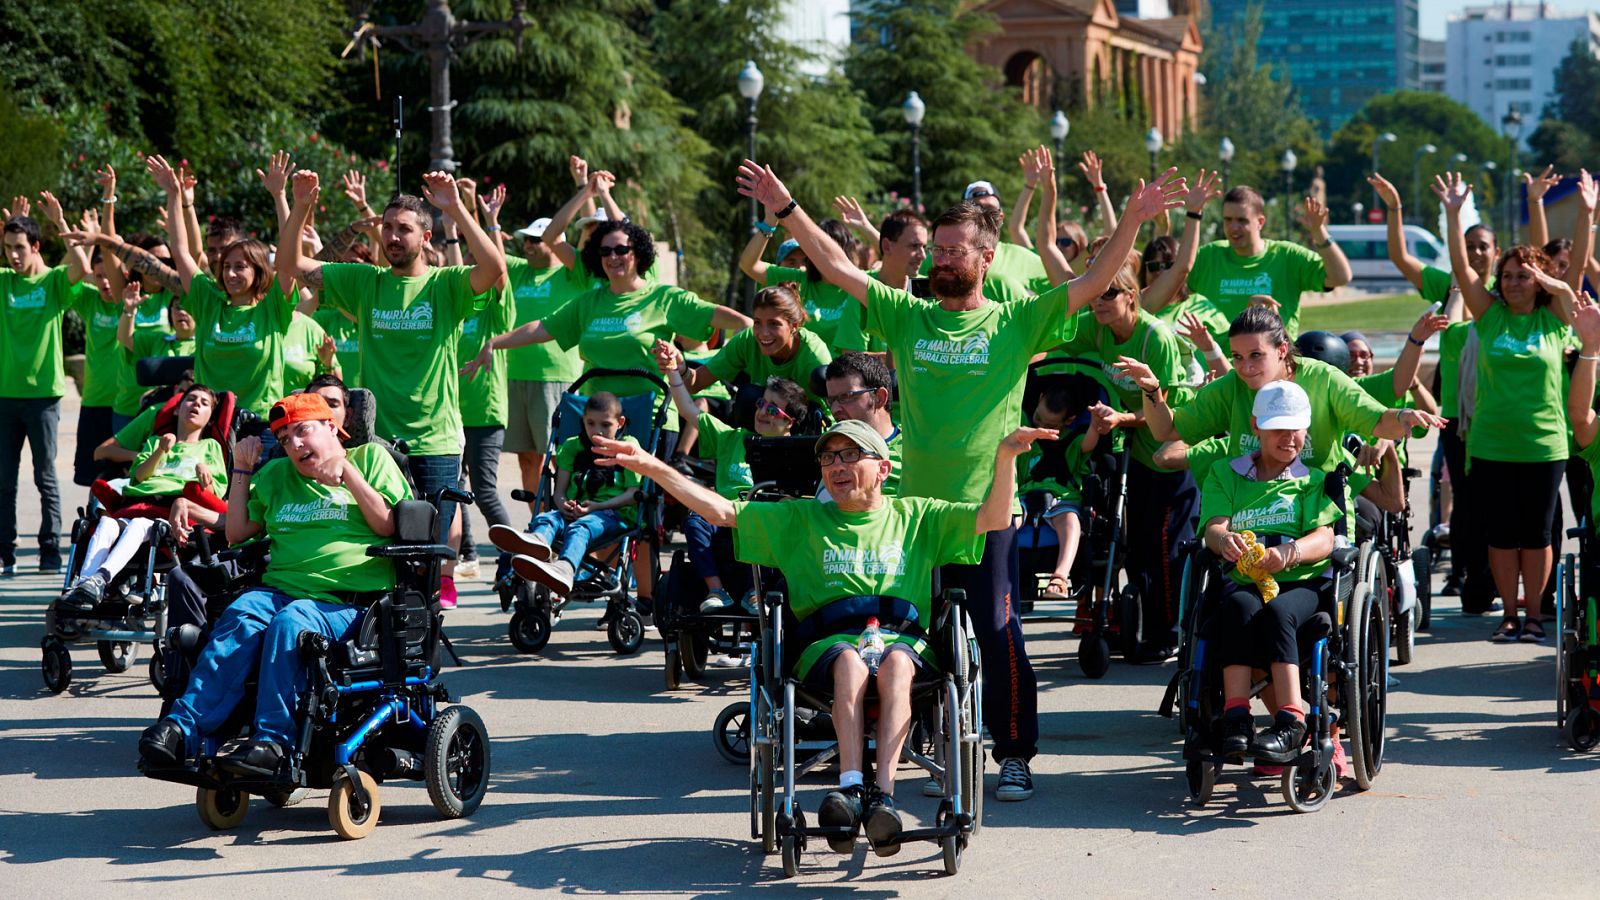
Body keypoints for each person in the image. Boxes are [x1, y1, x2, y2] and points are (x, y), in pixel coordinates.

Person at [736, 154, 1184, 801]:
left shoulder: (1015, 318)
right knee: (904, 635)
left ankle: (1014, 754)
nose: (942, 260)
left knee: (996, 630)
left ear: (986, 255)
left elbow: (1094, 281)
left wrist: (1134, 221)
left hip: (984, 512)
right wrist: (786, 208)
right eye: (938, 250)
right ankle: (919, 742)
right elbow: (835, 266)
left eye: (955, 250)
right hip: (912, 513)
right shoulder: (908, 315)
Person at [589, 416, 1051, 850]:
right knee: (850, 662)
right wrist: (650, 465)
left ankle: (882, 800)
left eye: (850, 456)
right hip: (828, 645)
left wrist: (1006, 457)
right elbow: (722, 511)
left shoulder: (918, 515)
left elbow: (993, 519)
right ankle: (850, 788)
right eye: (829, 459)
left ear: (883, 468)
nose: (837, 467)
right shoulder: (800, 518)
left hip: (903, 642)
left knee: (894, 664)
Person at [464, 173, 751, 610]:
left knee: (642, 511)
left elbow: (728, 319)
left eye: (622, 250)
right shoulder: (591, 300)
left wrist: (754, 336)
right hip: (596, 417)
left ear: (638, 254)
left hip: (648, 416)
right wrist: (494, 343)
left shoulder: (663, 297)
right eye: (606, 251)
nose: (614, 257)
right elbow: (545, 327)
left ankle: (645, 598)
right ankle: (557, 553)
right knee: (579, 491)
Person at [137, 392, 411, 775]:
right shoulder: (277, 475)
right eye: (283, 439)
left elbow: (388, 525)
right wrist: (242, 470)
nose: (294, 445)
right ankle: (182, 728)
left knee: (291, 623)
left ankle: (273, 743)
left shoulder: (371, 459)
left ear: (331, 427)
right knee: (241, 614)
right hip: (282, 591)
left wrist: (348, 473)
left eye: (302, 431)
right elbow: (235, 532)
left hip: (348, 602)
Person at [277, 168, 508, 607]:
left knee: (429, 549)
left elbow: (493, 268)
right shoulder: (365, 281)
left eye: (404, 228)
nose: (393, 236)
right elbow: (290, 266)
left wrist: (453, 207)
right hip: (376, 442)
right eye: (388, 227)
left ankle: (423, 633)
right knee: (385, 543)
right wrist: (301, 206)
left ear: (425, 237)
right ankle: (388, 633)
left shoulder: (445, 285)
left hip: (435, 441)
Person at [1436, 170, 1587, 643]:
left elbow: (1576, 272)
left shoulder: (1556, 316)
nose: (1515, 282)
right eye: (1508, 276)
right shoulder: (1490, 315)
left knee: (1538, 535)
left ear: (1539, 278)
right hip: (1492, 442)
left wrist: (1586, 213)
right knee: (1500, 535)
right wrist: (1453, 212)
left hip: (1544, 444)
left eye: (1524, 275)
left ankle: (1536, 616)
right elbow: (1462, 270)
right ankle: (1508, 617)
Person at [1200, 380, 1346, 770]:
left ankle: (1291, 722)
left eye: (1296, 428)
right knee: (1235, 607)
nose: (1288, 437)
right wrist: (1225, 540)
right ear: (1255, 426)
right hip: (1247, 580)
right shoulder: (1224, 473)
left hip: (1303, 584)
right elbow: (1214, 526)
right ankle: (1235, 717)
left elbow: (1326, 537)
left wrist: (1289, 553)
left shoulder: (1313, 480)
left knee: (1280, 611)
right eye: (1278, 427)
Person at [1138, 306, 1442, 473]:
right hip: (1248, 511)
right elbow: (1167, 431)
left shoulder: (1323, 379)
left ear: (1282, 349)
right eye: (1238, 358)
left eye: (1256, 355)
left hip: (1314, 510)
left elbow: (1375, 419)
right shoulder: (1232, 387)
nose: (1245, 368)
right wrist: (1152, 392)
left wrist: (1403, 417)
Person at [658, 334, 808, 614]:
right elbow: (688, 409)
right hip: (723, 520)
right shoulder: (731, 438)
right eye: (761, 404)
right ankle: (717, 590)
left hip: (764, 527)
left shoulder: (796, 451)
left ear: (791, 423)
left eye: (773, 409)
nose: (762, 411)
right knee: (694, 519)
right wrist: (672, 373)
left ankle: (756, 591)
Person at [59, 384, 227, 609]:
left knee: (138, 525)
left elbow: (216, 493)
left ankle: (100, 579)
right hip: (138, 503)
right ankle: (82, 588)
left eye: (204, 403)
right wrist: (160, 451)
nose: (196, 404)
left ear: (209, 418)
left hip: (173, 511)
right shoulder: (154, 441)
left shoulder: (210, 447)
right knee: (107, 523)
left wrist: (204, 476)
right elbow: (139, 477)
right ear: (176, 410)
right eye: (191, 399)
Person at [1, 194, 91, 574]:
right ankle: (5, 553)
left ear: (36, 246)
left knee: (45, 477)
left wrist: (61, 223)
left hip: (44, 396)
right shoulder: (4, 280)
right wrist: (11, 226)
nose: (13, 256)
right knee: (4, 481)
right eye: (7, 249)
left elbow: (83, 267)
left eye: (19, 248)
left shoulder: (54, 281)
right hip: (5, 396)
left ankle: (50, 552)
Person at [492, 393, 643, 596]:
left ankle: (565, 568)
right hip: (577, 510)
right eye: (591, 423)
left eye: (605, 425)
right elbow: (560, 492)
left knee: (581, 527)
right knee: (547, 518)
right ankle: (538, 542)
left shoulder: (627, 446)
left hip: (613, 514)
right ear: (583, 421)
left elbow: (633, 494)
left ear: (620, 423)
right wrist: (564, 504)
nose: (597, 431)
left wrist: (597, 507)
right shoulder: (573, 446)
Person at [502, 215, 588, 515]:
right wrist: (484, 216)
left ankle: (571, 518)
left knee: (560, 457)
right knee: (527, 457)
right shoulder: (519, 271)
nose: (528, 246)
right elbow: (487, 253)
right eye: (525, 240)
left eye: (536, 240)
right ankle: (539, 526)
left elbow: (583, 242)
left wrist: (585, 188)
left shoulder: (570, 274)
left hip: (556, 378)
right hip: (515, 376)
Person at [1186, 186, 1352, 338]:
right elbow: (1169, 287)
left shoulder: (1287, 256)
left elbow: (1340, 277)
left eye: (1242, 220)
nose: (1233, 227)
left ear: (1260, 222)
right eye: (1228, 220)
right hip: (1214, 365)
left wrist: (1319, 232)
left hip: (1273, 365)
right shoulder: (1208, 256)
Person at [670, 282, 831, 406]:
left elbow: (837, 412)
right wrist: (680, 366)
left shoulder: (813, 355)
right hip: (766, 427)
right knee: (748, 398)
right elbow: (695, 383)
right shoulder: (747, 340)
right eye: (757, 323)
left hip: (809, 433)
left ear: (794, 326)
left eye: (774, 324)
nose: (763, 333)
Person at [740, 211, 861, 350]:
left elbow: (891, 271)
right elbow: (748, 265)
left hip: (843, 370)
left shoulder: (860, 284)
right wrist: (769, 223)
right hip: (801, 369)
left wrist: (866, 229)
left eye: (833, 249)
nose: (827, 256)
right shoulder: (798, 279)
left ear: (846, 252)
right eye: (820, 248)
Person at [822, 352, 900, 494]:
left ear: (879, 397)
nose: (835, 409)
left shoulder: (915, 450)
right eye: (831, 401)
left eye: (846, 397)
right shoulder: (827, 449)